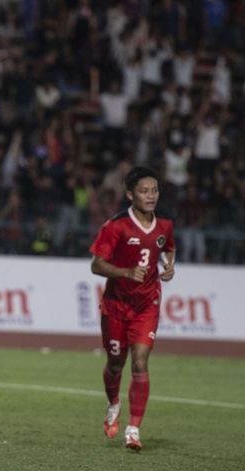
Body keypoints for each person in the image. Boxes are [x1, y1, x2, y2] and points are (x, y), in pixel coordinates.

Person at [89, 166, 176, 451]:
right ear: (130, 195)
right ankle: (114, 403)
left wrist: (168, 266)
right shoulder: (116, 226)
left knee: (141, 362)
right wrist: (126, 273)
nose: (151, 196)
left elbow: (168, 248)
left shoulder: (164, 226)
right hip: (116, 305)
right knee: (116, 363)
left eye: (154, 190)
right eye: (144, 191)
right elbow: (96, 265)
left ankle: (133, 430)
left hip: (146, 304)